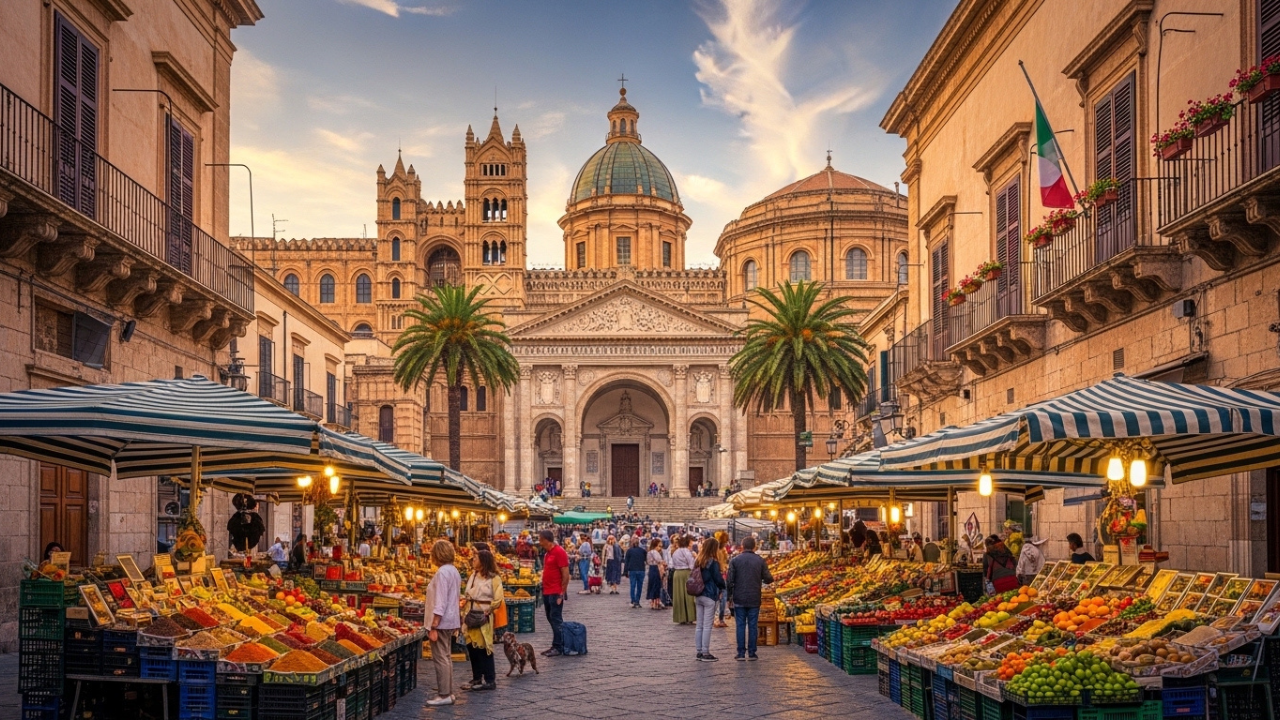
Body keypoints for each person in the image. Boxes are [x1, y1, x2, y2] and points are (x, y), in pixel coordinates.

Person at [423, 540, 461, 707]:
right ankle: (449, 692)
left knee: (440, 658)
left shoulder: (442, 573)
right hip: (451, 619)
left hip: (442, 621)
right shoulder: (453, 571)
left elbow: (440, 601)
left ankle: (444, 693)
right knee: (446, 656)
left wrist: (434, 624)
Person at [461, 548, 504, 692]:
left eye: (476, 558)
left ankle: (490, 679)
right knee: (471, 647)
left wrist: (488, 610)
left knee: (484, 647)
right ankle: (477, 677)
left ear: (483, 561)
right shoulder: (473, 575)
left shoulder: (494, 578)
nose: (473, 560)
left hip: (483, 614)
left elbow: (498, 599)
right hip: (470, 612)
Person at [727, 536, 773, 661]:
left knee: (740, 625)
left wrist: (728, 597)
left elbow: (729, 580)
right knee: (753, 625)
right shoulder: (760, 561)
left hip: (739, 597)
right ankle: (752, 653)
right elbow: (769, 578)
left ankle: (741, 653)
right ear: (754, 547)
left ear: (742, 546)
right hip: (754, 597)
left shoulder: (735, 560)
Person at [693, 536, 727, 662]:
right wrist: (723, 586)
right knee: (707, 625)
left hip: (699, 594)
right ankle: (706, 652)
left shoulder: (698, 560)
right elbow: (718, 578)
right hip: (710, 594)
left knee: (700, 625)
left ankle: (699, 651)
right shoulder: (713, 562)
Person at [538, 529, 570, 657]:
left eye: (540, 540)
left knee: (556, 618)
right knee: (550, 617)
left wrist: (562, 592)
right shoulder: (547, 554)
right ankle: (557, 643)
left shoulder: (559, 552)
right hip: (547, 590)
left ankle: (559, 646)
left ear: (546, 540)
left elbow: (565, 574)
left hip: (556, 591)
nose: (539, 542)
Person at [669, 535, 697, 625]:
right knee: (689, 595)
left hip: (677, 574)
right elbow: (692, 565)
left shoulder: (675, 552)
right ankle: (690, 616)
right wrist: (695, 557)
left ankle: (681, 617)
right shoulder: (686, 551)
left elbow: (672, 564)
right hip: (686, 573)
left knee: (679, 596)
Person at [624, 535, 648, 608]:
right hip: (641, 570)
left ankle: (633, 600)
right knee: (639, 587)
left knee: (633, 586)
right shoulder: (643, 551)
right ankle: (637, 601)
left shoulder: (629, 551)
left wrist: (625, 572)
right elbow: (645, 560)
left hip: (632, 570)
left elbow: (626, 562)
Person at [714, 531, 731, 628]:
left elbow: (725, 561)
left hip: (722, 575)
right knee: (718, 598)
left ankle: (720, 618)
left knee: (723, 598)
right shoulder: (715, 550)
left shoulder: (722, 550)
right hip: (718, 575)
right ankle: (717, 618)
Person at [645, 538, 665, 610]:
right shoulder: (655, 552)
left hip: (651, 568)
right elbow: (659, 561)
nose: (660, 547)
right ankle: (655, 603)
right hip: (656, 569)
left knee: (652, 585)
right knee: (656, 585)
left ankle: (653, 602)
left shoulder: (649, 552)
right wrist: (664, 563)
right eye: (659, 546)